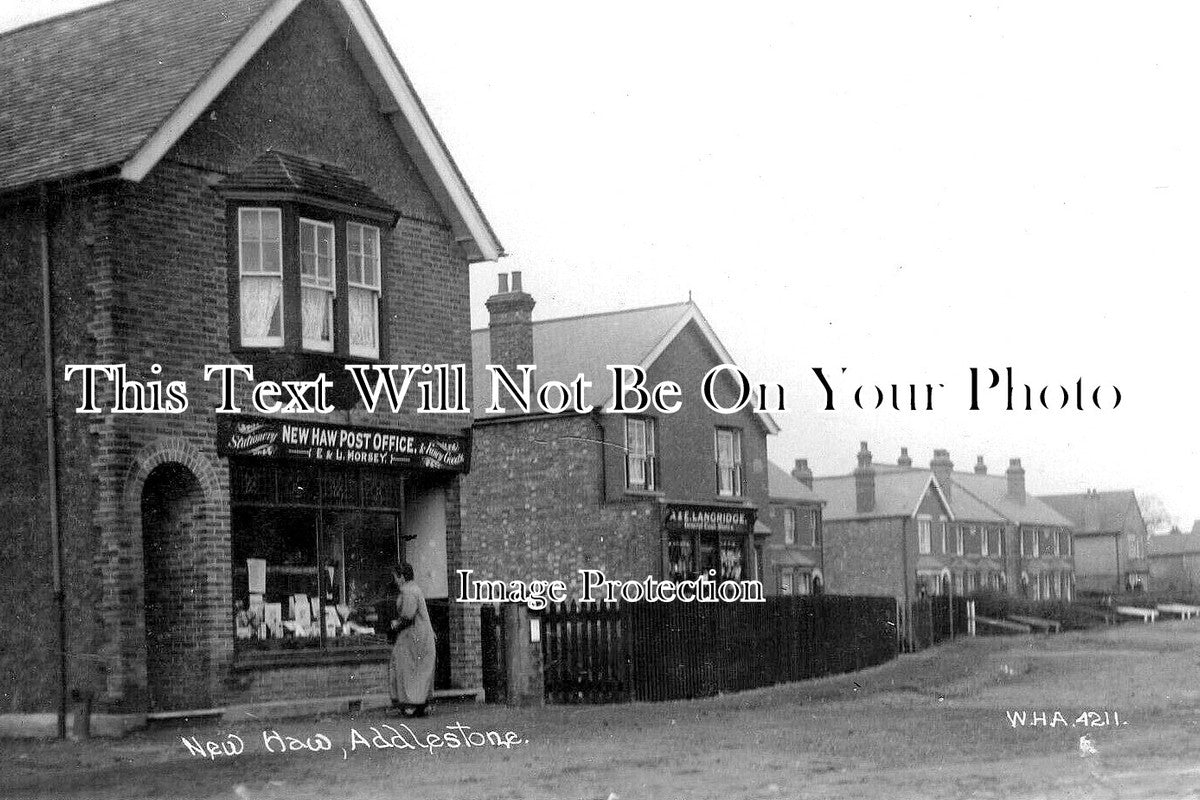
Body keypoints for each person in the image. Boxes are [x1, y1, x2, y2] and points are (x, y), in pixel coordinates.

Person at [389, 563, 435, 717]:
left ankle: (410, 704)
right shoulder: (415, 589)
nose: (395, 580)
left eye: (396, 577)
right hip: (422, 635)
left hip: (413, 635)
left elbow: (408, 615)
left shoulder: (408, 591)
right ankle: (422, 703)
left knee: (405, 667)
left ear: (402, 577)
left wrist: (396, 624)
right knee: (420, 670)